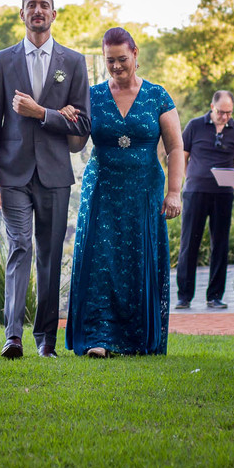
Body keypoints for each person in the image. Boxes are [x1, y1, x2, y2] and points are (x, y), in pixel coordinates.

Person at [0, 0, 91, 359]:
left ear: (54, 14)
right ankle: (12, 337)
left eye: (44, 5)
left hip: (55, 175)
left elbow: (83, 125)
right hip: (11, 175)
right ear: (22, 14)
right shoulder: (2, 61)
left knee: (49, 256)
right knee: (20, 247)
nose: (38, 10)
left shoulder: (73, 62)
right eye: (32, 5)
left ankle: (46, 340)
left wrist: (42, 113)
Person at [65, 27, 183, 356]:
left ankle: (135, 338)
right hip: (102, 190)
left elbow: (175, 148)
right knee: (101, 261)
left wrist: (174, 192)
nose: (116, 66)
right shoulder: (92, 95)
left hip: (144, 191)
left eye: (122, 59)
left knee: (138, 261)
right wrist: (69, 120)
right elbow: (75, 145)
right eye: (109, 61)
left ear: (135, 54)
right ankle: (98, 337)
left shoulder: (158, 96)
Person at [175, 89, 234, 310]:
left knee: (220, 245)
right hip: (195, 192)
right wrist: (191, 178)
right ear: (212, 107)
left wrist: (233, 180)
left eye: (229, 113)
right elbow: (182, 156)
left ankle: (215, 296)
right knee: (189, 243)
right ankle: (184, 296)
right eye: (221, 112)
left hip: (223, 194)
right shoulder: (195, 125)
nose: (225, 117)